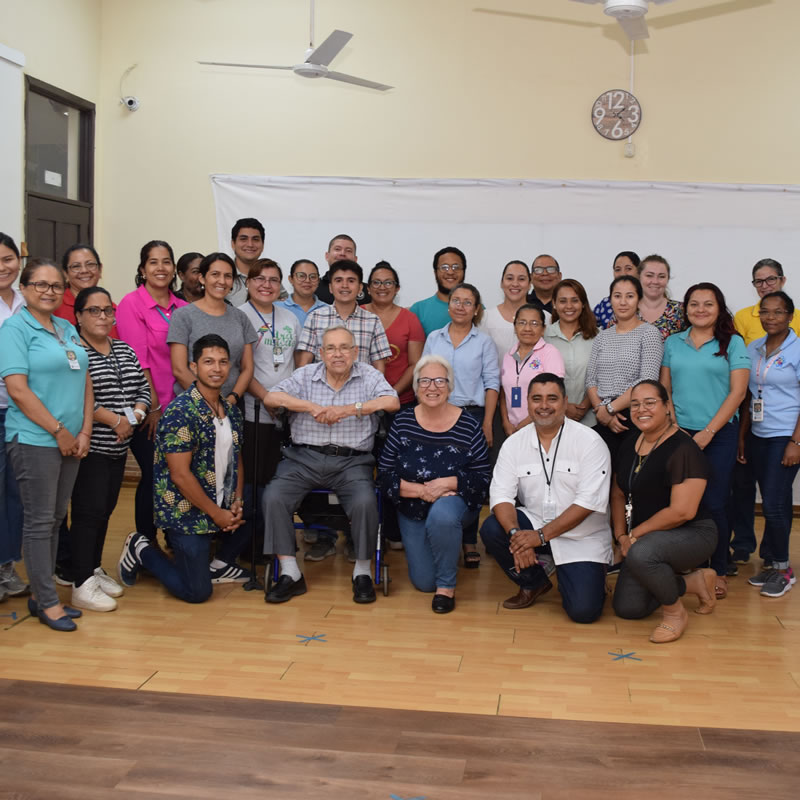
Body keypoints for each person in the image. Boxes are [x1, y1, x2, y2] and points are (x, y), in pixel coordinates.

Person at [261, 325, 399, 605]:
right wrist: (310, 407)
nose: (338, 354)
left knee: (365, 502)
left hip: (352, 462)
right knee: (273, 496)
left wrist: (349, 409)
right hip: (303, 459)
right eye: (331, 348)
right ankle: (290, 572)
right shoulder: (305, 375)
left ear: (355, 352)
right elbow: (271, 398)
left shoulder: (369, 375)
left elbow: (392, 401)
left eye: (344, 348)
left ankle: (362, 572)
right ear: (321, 353)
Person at [118, 334, 252, 600]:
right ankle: (141, 549)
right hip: (186, 512)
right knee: (197, 592)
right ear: (194, 367)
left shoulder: (231, 411)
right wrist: (217, 514)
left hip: (220, 501)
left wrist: (237, 500)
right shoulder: (181, 412)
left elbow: (236, 459)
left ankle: (220, 563)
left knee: (261, 499)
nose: (217, 369)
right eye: (208, 362)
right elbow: (180, 475)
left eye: (223, 362)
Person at [0, 258, 93, 631]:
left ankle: (42, 595)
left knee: (55, 518)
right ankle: (48, 602)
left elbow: (85, 381)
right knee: (39, 521)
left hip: (71, 440)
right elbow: (18, 390)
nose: (49, 291)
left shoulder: (66, 327)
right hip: (35, 438)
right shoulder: (14, 329)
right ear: (24, 289)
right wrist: (59, 431)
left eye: (55, 285)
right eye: (40, 284)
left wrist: (84, 432)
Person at [480, 373, 611, 623]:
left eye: (552, 398)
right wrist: (516, 536)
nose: (544, 406)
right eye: (536, 399)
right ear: (528, 403)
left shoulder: (590, 442)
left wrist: (539, 537)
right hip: (535, 522)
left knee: (584, 612)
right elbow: (501, 496)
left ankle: (591, 573)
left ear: (565, 402)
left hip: (581, 535)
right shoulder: (514, 443)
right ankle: (534, 582)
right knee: (493, 528)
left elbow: (587, 503)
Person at [377, 355, 490, 613]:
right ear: (416, 387)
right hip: (412, 506)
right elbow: (384, 474)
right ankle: (446, 549)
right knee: (424, 582)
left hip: (454, 503)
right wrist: (421, 490)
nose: (432, 387)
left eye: (440, 381)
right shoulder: (402, 422)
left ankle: (446, 587)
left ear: (450, 387)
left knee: (442, 516)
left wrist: (448, 482)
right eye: (425, 381)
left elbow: (483, 479)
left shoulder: (469, 425)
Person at [661, 282, 749, 599]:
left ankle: (718, 569)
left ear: (719, 308)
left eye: (708, 304)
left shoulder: (733, 343)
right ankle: (689, 564)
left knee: (714, 501)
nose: (700, 309)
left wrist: (708, 432)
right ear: (685, 309)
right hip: (679, 432)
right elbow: (665, 389)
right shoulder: (673, 342)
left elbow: (738, 393)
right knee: (681, 502)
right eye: (694, 304)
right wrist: (674, 426)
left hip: (719, 434)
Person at [611, 380, 718, 643]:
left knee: (642, 553)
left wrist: (634, 536)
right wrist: (621, 536)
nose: (641, 410)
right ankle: (693, 583)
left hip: (693, 533)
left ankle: (674, 614)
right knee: (628, 607)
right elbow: (618, 492)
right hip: (646, 538)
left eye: (650, 403)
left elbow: (682, 512)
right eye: (635, 404)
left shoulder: (684, 448)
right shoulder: (630, 443)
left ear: (667, 406)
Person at [69, 287, 150, 611]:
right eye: (94, 310)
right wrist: (116, 421)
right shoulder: (74, 352)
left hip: (119, 447)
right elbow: (77, 398)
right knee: (87, 513)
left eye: (107, 310)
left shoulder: (123, 349)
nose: (103, 316)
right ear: (78, 316)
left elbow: (142, 389)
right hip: (91, 448)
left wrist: (134, 417)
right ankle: (80, 583)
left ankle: (92, 569)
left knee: (104, 511)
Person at [729, 258, 800, 566]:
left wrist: (796, 441)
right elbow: (748, 395)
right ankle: (771, 559)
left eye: (778, 312)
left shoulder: (798, 349)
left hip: (785, 433)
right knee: (772, 499)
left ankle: (781, 565)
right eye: (765, 312)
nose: (771, 317)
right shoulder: (754, 348)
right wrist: (742, 436)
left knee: (773, 502)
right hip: (757, 431)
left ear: (790, 315)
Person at [423, 282, 499, 567]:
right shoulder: (434, 338)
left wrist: (487, 422)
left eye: (468, 302)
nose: (461, 306)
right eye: (456, 300)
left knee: (469, 478)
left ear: (476, 309)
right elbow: (424, 376)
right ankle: (441, 534)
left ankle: (468, 541)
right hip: (437, 413)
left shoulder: (484, 342)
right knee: (438, 473)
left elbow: (492, 383)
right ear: (449, 305)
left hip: (471, 416)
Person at [116, 240, 188, 543]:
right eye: (153, 262)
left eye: (166, 261)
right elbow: (138, 359)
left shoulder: (183, 308)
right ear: (142, 269)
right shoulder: (131, 304)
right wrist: (153, 407)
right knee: (153, 473)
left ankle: (175, 536)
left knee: (179, 474)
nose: (161, 268)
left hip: (181, 407)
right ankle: (145, 543)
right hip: (148, 408)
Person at [238, 258, 300, 552]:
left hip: (286, 414)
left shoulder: (289, 318)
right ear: (249, 283)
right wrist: (266, 398)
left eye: (273, 280)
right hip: (254, 410)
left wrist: (288, 400)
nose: (266, 285)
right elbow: (240, 368)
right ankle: (252, 543)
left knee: (278, 480)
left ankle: (275, 540)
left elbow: (295, 363)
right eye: (260, 279)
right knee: (254, 481)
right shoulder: (239, 316)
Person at [585, 276, 663, 461]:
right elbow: (591, 380)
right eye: (617, 296)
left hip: (636, 414)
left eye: (629, 296)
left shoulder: (649, 333)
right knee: (601, 472)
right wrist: (601, 411)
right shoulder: (602, 337)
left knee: (629, 473)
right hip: (602, 417)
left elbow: (647, 380)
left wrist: (611, 409)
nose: (623, 302)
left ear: (639, 300)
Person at [168, 252, 256, 406]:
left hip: (232, 404)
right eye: (215, 274)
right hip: (194, 405)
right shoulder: (183, 316)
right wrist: (209, 402)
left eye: (228, 276)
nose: (222, 281)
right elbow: (179, 369)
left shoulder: (241, 317)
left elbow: (247, 368)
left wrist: (231, 400)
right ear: (202, 278)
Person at [296, 260, 391, 370]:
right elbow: (304, 363)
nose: (344, 285)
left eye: (351, 281)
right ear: (330, 287)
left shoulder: (373, 321)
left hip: (361, 381)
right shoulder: (315, 317)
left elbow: (379, 367)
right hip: (322, 381)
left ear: (360, 288)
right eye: (338, 280)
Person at [0, 233, 27, 600]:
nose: (3, 267)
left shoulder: (27, 301)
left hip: (25, 411)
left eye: (7, 259)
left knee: (17, 491)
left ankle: (7, 565)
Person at [361, 261, 424, 407]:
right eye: (376, 282)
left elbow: (415, 364)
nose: (382, 287)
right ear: (368, 288)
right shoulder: (357, 314)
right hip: (361, 398)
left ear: (397, 289)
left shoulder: (410, 319)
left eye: (388, 283)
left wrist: (391, 394)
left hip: (401, 400)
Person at [499, 304, 564, 436]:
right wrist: (506, 422)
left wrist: (524, 425)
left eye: (534, 323)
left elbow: (554, 395)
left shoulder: (550, 353)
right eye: (522, 323)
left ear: (543, 329)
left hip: (541, 426)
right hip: (511, 429)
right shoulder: (508, 356)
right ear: (515, 327)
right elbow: (504, 393)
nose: (527, 328)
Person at [545, 278, 598, 428]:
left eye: (575, 300)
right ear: (554, 304)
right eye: (563, 301)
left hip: (591, 420)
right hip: (552, 419)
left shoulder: (599, 336)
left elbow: (603, 376)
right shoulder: (543, 337)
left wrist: (585, 405)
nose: (569, 306)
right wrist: (564, 405)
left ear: (583, 303)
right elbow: (538, 378)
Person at [55, 243, 118, 336]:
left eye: (90, 264)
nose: (84, 271)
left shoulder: (112, 309)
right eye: (76, 266)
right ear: (65, 274)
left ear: (100, 269)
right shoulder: (56, 306)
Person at [480, 260, 533, 364]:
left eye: (521, 279)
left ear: (529, 284)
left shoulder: (544, 317)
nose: (515, 284)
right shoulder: (485, 317)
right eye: (509, 278)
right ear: (501, 283)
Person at [410, 246, 467, 336]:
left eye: (456, 267)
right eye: (444, 267)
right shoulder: (418, 310)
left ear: (464, 272)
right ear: (435, 272)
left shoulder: (475, 308)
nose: (450, 272)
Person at [633, 255, 685, 340]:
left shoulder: (681, 311)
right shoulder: (627, 310)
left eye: (661, 276)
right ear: (639, 277)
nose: (655, 281)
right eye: (649, 275)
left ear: (668, 279)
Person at [315, 234, 372, 306]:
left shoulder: (369, 291)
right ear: (327, 256)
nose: (342, 253)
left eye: (348, 251)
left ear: (355, 259)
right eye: (337, 249)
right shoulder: (314, 287)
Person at [593, 251, 640, 330]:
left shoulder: (648, 303)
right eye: (618, 269)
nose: (622, 273)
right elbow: (587, 325)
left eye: (628, 268)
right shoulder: (605, 304)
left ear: (639, 271)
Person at [276, 259, 328, 325]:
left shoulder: (328, 310)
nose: (307, 280)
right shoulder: (276, 308)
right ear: (291, 279)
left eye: (313, 277)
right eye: (301, 276)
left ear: (318, 281)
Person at [228, 217, 265, 306]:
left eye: (255, 239)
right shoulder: (224, 275)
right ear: (233, 244)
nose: (250, 244)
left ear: (263, 245)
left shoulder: (271, 275)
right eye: (243, 239)